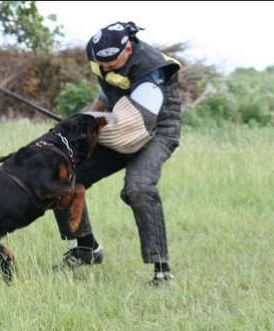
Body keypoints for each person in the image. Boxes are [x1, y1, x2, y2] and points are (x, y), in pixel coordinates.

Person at [53, 21, 182, 284]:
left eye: (111, 61)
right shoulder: (103, 59)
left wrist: (97, 129)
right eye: (102, 63)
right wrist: (82, 123)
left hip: (155, 130)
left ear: (128, 49)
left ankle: (162, 270)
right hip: (117, 123)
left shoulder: (152, 69)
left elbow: (136, 127)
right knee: (63, 176)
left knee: (138, 188)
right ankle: (86, 248)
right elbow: (105, 95)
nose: (106, 67)